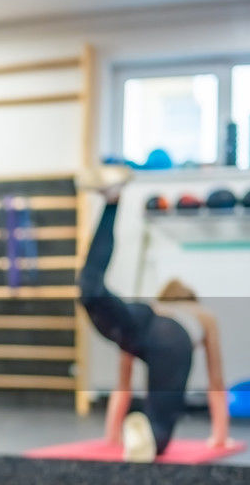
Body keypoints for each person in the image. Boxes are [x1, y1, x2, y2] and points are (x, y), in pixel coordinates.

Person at [77, 169, 232, 461]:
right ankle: (150, 432)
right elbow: (216, 382)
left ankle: (112, 202)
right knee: (159, 430)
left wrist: (109, 436)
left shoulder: (159, 306)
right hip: (173, 340)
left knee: (90, 289)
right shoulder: (203, 316)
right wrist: (220, 437)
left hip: (140, 318)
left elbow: (123, 381)